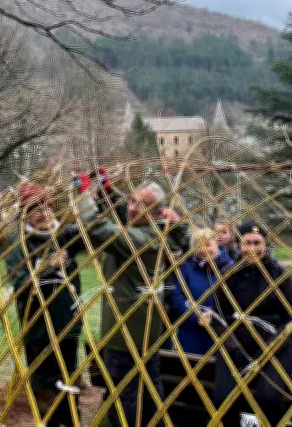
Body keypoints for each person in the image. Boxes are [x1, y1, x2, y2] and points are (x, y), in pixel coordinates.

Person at [76, 180, 188, 427]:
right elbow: (123, 213)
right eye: (132, 200)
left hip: (125, 334)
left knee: (123, 393)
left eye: (142, 204)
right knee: (148, 388)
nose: (133, 207)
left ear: (158, 213)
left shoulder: (141, 240)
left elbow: (99, 227)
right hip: (145, 331)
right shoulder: (158, 232)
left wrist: (85, 196)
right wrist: (107, 189)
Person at [5, 183, 87, 427]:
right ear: (26, 213)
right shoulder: (19, 242)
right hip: (39, 327)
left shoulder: (64, 234)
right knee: (45, 386)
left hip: (68, 323)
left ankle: (72, 422)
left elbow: (94, 230)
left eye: (47, 206)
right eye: (36, 208)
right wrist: (45, 268)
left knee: (69, 381)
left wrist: (88, 195)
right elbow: (20, 284)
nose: (44, 212)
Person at [211, 221, 292, 426]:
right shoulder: (229, 274)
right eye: (246, 243)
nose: (252, 249)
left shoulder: (280, 275)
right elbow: (218, 317)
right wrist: (234, 348)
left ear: (266, 244)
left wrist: (270, 348)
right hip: (236, 350)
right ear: (239, 244)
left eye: (257, 243)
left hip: (275, 350)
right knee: (223, 398)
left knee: (267, 397)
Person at [169, 228, 234, 355]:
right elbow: (178, 296)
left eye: (208, 244)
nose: (203, 249)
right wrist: (196, 315)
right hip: (191, 331)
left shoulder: (229, 267)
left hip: (220, 329)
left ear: (216, 244)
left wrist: (213, 314)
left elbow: (234, 298)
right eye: (198, 245)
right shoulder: (186, 267)